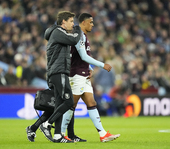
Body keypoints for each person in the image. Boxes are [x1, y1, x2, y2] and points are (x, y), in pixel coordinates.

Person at [61, 13, 120, 142]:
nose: (92, 25)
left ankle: (103, 134)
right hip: (77, 75)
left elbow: (82, 55)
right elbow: (83, 56)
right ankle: (59, 133)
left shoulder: (83, 35)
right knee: (72, 104)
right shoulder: (78, 35)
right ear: (83, 22)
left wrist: (90, 68)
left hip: (83, 74)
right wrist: (102, 65)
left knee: (92, 103)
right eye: (90, 22)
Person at [26, 11, 81, 143]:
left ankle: (53, 134)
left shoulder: (57, 34)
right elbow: (74, 39)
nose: (73, 24)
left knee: (57, 105)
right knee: (68, 102)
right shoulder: (58, 32)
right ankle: (47, 125)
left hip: (57, 72)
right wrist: (79, 30)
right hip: (58, 72)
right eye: (71, 21)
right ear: (63, 22)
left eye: (74, 22)